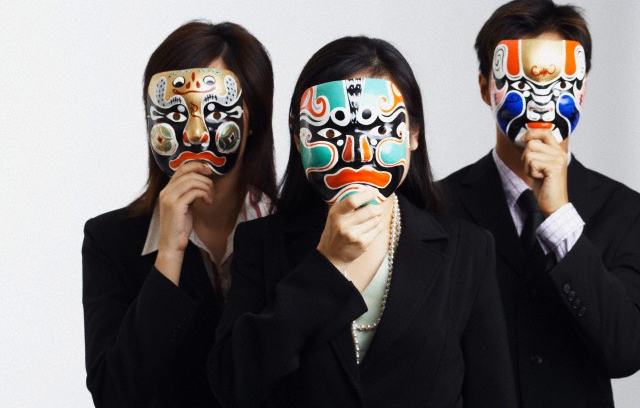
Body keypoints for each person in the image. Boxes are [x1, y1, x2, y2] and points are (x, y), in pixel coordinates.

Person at [208, 35, 516, 407]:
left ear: (413, 135)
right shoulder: (262, 242)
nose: (356, 150)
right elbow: (231, 384)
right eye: (335, 128)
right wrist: (327, 265)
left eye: (377, 127)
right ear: (300, 135)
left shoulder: (467, 251)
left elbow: (494, 396)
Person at [441, 0, 640, 407]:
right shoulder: (436, 205)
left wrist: (560, 216)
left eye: (561, 84)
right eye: (521, 83)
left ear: (582, 90)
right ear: (485, 88)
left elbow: (626, 350)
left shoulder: (626, 211)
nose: (540, 100)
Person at [82, 21, 277, 407]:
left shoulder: (294, 233)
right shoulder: (111, 240)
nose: (194, 133)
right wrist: (168, 255)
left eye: (216, 108)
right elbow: (115, 395)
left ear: (251, 118)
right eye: (172, 111)